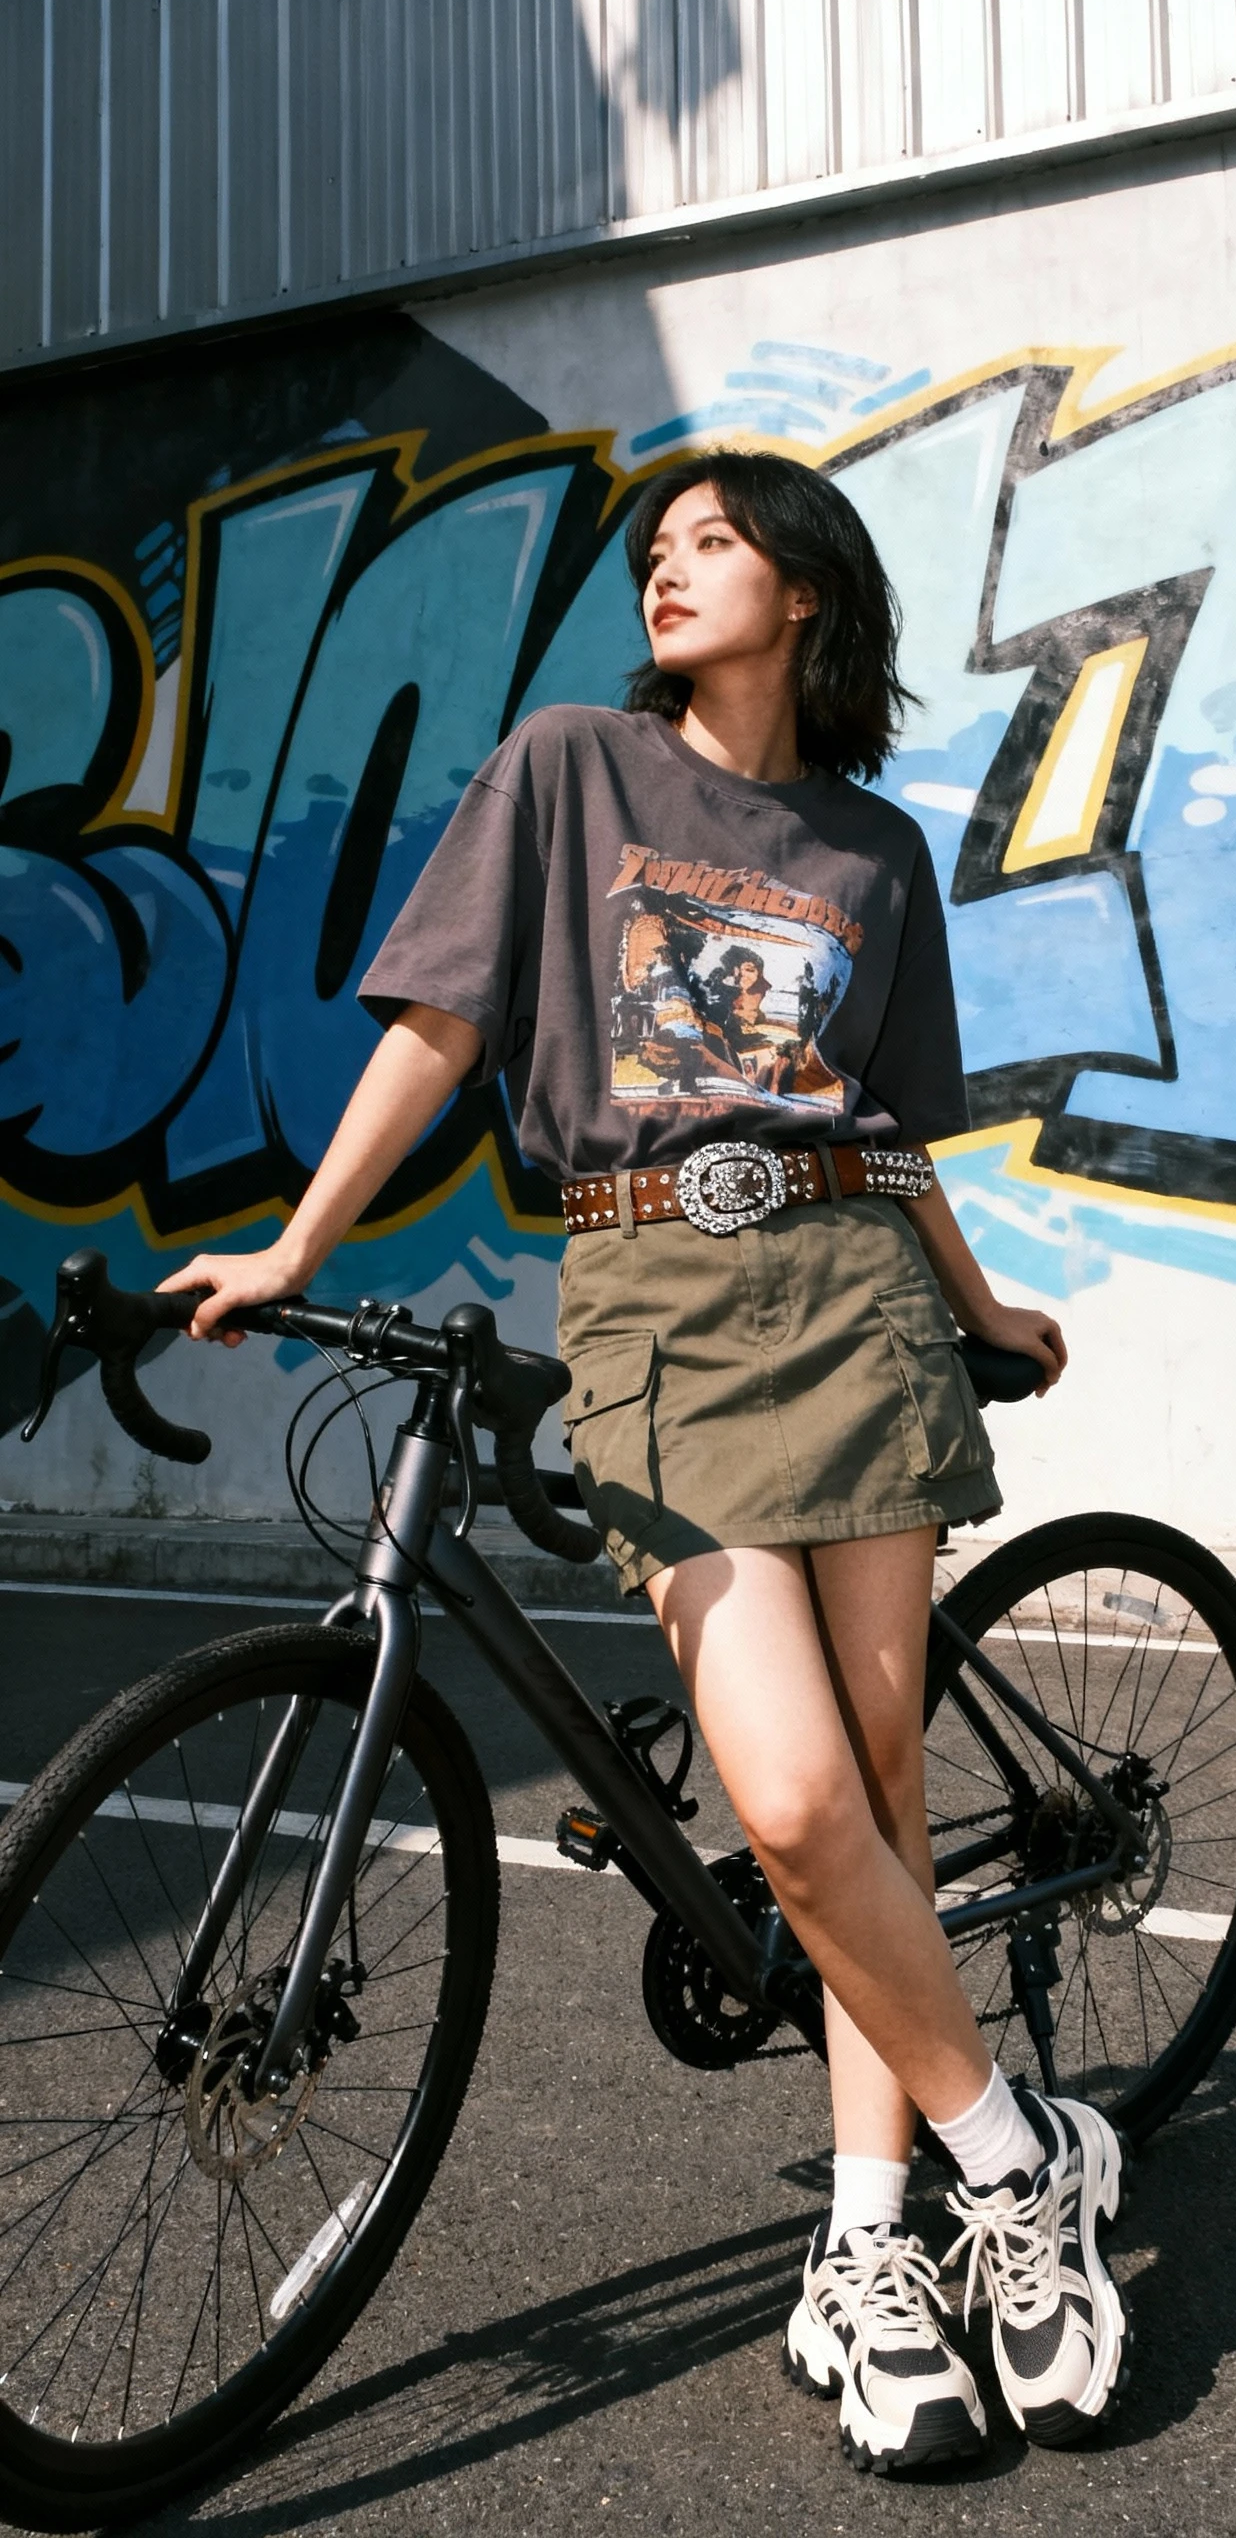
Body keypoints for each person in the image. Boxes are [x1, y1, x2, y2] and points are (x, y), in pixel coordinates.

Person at [160, 450, 1130, 2476]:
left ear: (807, 588)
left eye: (713, 542)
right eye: (658, 551)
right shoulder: (571, 767)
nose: (669, 571)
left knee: (878, 1789)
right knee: (792, 1801)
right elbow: (439, 1025)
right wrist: (299, 1244)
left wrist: (983, 1301)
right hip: (653, 1306)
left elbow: (886, 1126)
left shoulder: (872, 846)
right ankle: (1020, 2157)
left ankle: (868, 2249)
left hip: (857, 1300)